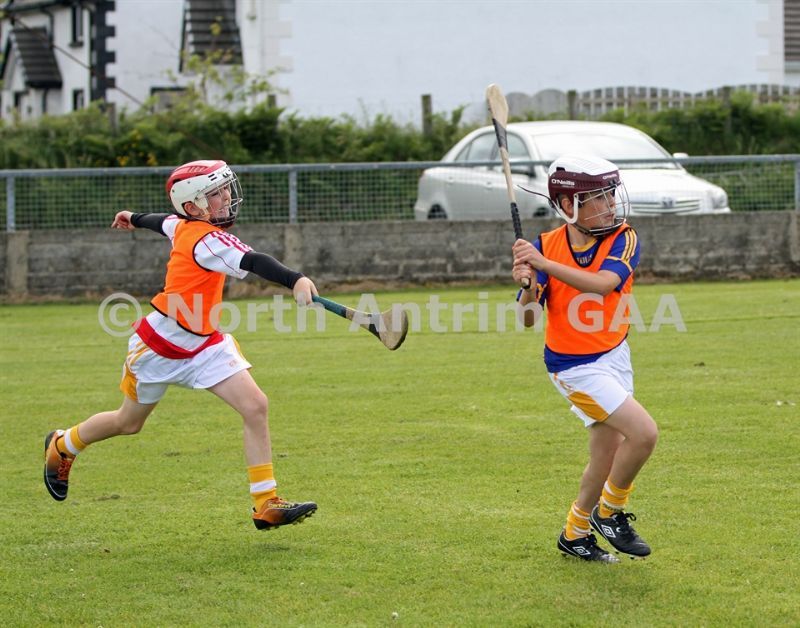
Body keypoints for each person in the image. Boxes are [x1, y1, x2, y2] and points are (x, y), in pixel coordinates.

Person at [44, 159, 318, 531]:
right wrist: (295, 279)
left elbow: (163, 222)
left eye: (225, 189)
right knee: (128, 423)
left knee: (255, 405)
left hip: (204, 346)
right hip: (158, 347)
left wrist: (133, 217)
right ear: (193, 206)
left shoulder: (183, 223)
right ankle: (63, 445)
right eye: (215, 194)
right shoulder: (208, 240)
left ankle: (265, 503)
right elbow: (253, 260)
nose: (226, 198)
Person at [512, 155, 658, 563]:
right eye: (599, 198)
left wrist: (543, 264)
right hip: (574, 368)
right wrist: (527, 285)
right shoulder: (545, 246)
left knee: (606, 453)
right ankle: (608, 512)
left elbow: (602, 285)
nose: (610, 204)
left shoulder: (624, 238)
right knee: (644, 434)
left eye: (611, 194)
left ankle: (575, 534)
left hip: (615, 355)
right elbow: (527, 318)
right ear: (568, 204)